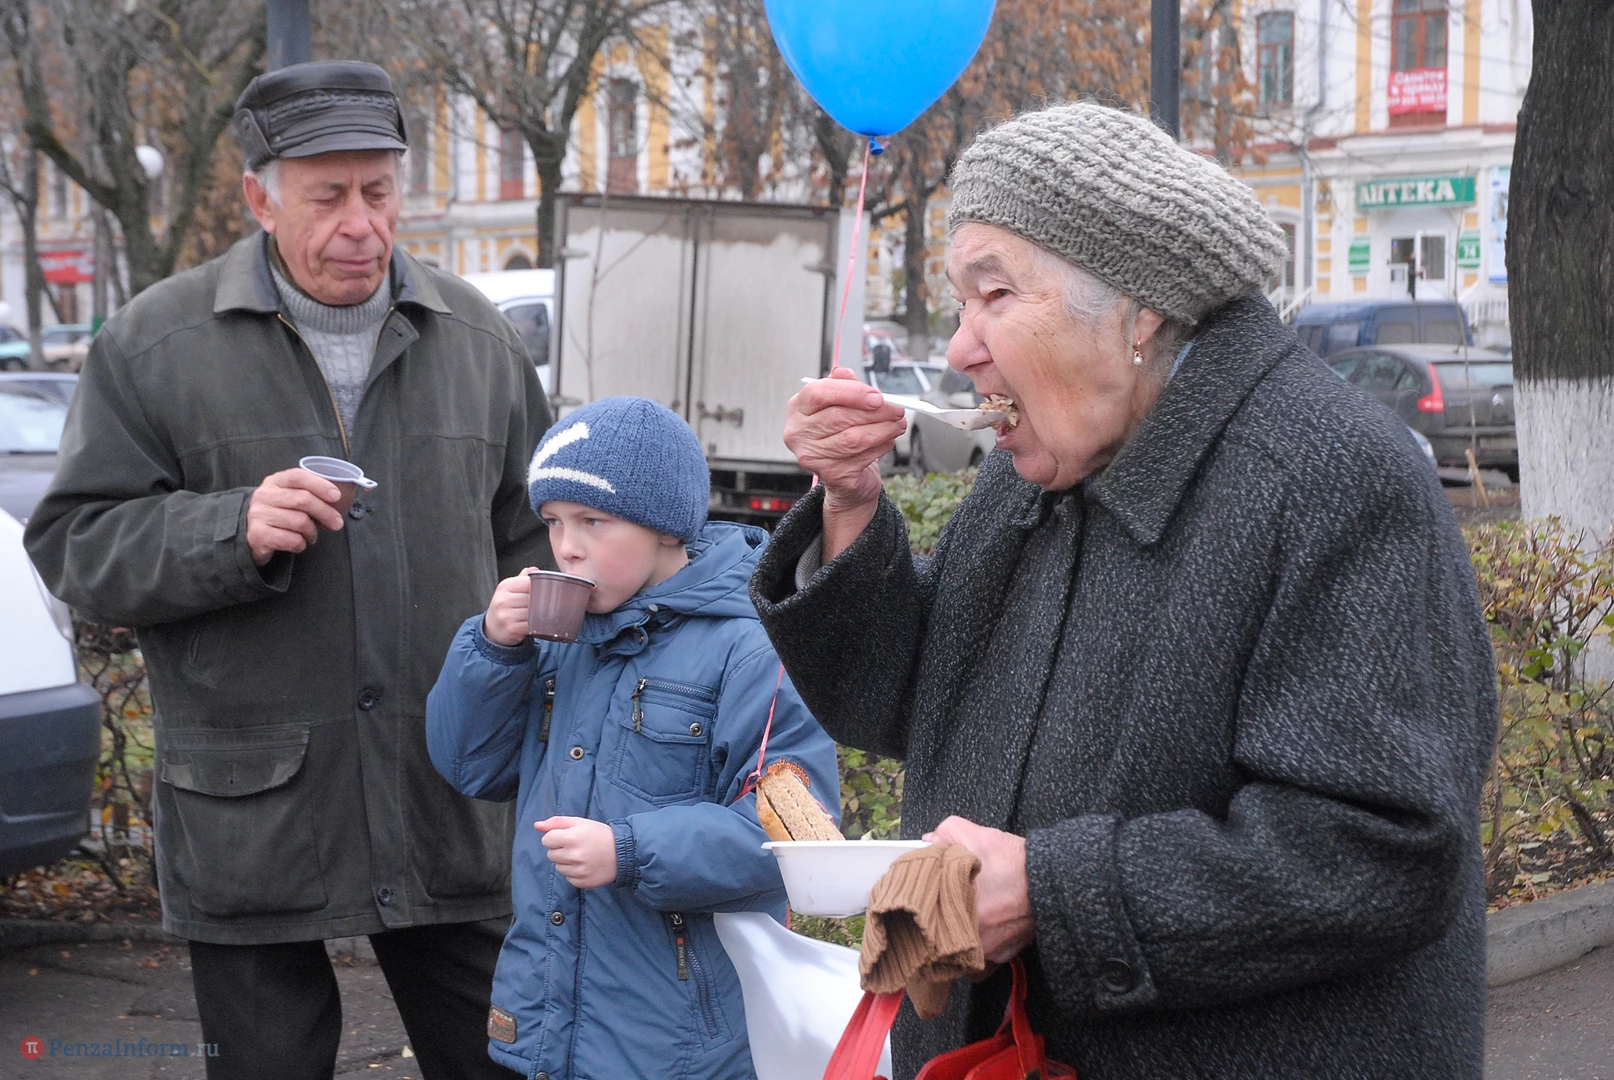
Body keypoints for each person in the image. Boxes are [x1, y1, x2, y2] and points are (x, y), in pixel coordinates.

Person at [750, 102, 1497, 1080]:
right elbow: (907, 701)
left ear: (1140, 310)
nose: (962, 348)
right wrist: (850, 504)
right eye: (959, 302)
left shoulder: (1329, 478)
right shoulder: (1033, 477)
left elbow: (1388, 848)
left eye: (994, 295)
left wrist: (1051, 895)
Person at [25, 61, 551, 1080]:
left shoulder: (479, 340)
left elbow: (538, 540)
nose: (361, 224)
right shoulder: (153, 345)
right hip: (253, 815)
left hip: (449, 799)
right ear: (259, 199)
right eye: (328, 196)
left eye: (379, 192)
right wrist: (231, 529)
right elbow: (77, 546)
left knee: (510, 1066)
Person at [426, 395, 840, 1080]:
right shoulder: (559, 638)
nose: (567, 546)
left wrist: (630, 851)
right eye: (554, 521)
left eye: (594, 521)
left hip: (679, 1039)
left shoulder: (750, 648)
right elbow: (471, 766)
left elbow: (798, 836)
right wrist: (494, 650)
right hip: (548, 1017)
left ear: (666, 528)